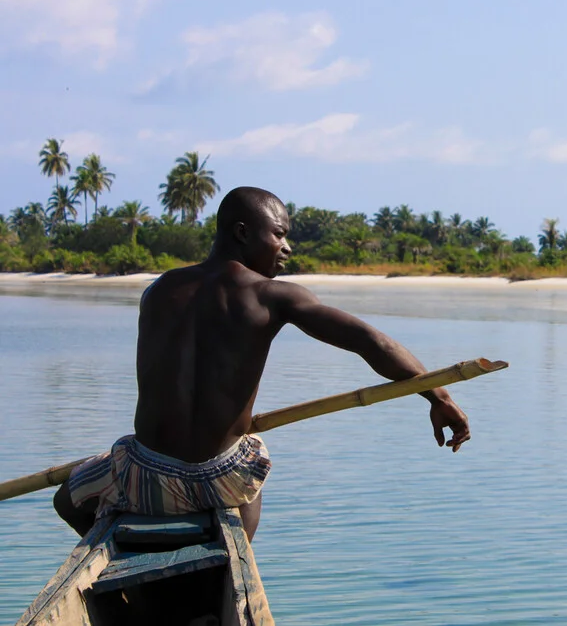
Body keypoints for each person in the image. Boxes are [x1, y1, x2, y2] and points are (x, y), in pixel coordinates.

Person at [53, 187, 470, 541]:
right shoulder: (273, 296)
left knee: (65, 498)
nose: (287, 248)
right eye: (280, 234)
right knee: (251, 455)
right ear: (242, 233)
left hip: (143, 477)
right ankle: (238, 556)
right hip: (221, 481)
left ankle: (113, 601)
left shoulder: (159, 290)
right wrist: (439, 396)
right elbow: (372, 342)